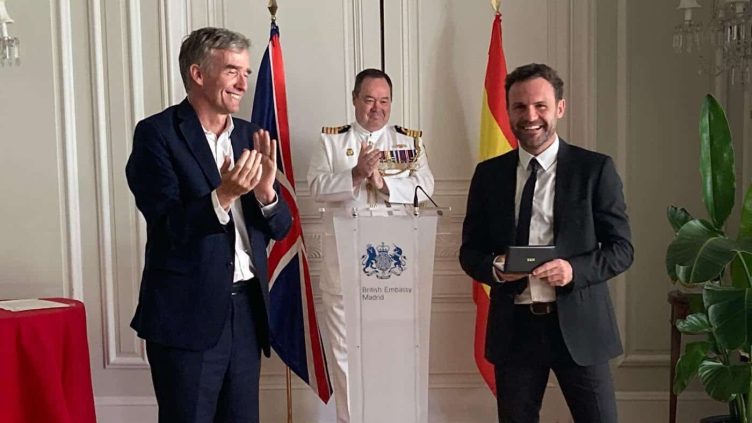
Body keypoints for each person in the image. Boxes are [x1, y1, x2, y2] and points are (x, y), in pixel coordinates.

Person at [126, 27, 292, 423]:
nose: (243, 84)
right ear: (198, 74)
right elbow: (168, 227)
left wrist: (266, 194)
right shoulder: (156, 135)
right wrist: (224, 195)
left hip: (247, 314)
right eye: (232, 71)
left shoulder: (251, 135)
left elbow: (281, 228)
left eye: (246, 73)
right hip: (187, 317)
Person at [459, 63, 633, 423]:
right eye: (520, 107)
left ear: (560, 108)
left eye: (540, 106)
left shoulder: (594, 169)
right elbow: (470, 251)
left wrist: (573, 270)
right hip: (515, 330)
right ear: (508, 111)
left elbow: (621, 249)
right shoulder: (489, 175)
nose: (530, 116)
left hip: (581, 326)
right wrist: (495, 268)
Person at [307, 68, 434, 423]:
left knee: (392, 355)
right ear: (354, 100)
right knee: (346, 357)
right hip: (345, 271)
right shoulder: (332, 142)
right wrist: (356, 174)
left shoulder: (409, 142)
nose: (377, 108)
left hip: (394, 274)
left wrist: (385, 185)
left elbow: (426, 187)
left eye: (384, 101)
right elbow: (316, 187)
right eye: (369, 100)